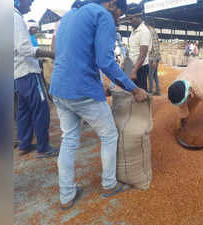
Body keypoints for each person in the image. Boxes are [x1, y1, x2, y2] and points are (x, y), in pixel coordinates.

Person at [50, 0, 148, 210]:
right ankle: (109, 184)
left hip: (59, 88)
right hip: (82, 90)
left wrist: (101, 82)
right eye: (119, 14)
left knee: (68, 140)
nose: (117, 19)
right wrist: (134, 89)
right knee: (109, 135)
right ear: (112, 3)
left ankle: (66, 195)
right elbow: (105, 61)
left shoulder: (67, 17)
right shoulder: (102, 15)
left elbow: (60, 50)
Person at [14, 0, 59, 158]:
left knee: (24, 111)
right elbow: (25, 49)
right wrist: (50, 54)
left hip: (19, 75)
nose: (31, 6)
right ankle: (43, 147)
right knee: (41, 109)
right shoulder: (15, 18)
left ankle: (24, 144)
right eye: (29, 2)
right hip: (29, 72)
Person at [127, 3, 152, 91]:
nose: (129, 21)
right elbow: (132, 49)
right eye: (128, 18)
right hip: (131, 66)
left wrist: (134, 71)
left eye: (131, 18)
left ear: (138, 16)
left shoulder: (144, 31)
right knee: (132, 92)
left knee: (141, 92)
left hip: (140, 69)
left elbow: (143, 55)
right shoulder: (133, 31)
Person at [146, 19, 162, 96]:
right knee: (154, 75)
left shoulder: (150, 32)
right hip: (155, 56)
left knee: (150, 75)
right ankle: (158, 90)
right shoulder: (153, 31)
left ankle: (150, 91)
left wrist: (155, 60)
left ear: (147, 25)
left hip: (153, 57)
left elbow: (155, 46)